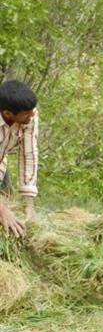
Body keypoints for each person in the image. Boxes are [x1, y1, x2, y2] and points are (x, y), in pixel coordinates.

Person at [0, 80, 39, 237]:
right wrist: (2, 210)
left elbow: (28, 154)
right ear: (7, 113)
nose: (32, 116)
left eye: (32, 112)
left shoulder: (30, 113)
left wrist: (29, 204)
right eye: (26, 115)